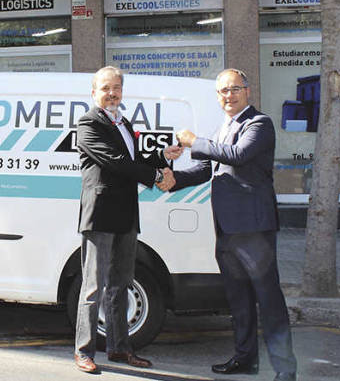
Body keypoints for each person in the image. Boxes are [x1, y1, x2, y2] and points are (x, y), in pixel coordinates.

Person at [162, 68, 297, 381]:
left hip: (253, 229)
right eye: (223, 91)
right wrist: (173, 180)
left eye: (235, 88)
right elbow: (205, 169)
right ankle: (245, 359)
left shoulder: (259, 123)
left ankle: (286, 369)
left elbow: (238, 155)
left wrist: (195, 140)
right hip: (226, 228)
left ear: (247, 91)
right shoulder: (223, 127)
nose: (229, 95)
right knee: (238, 299)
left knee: (269, 299)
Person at [74, 66, 180, 374]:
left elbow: (132, 160)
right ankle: (83, 351)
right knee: (93, 288)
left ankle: (119, 349)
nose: (112, 93)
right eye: (105, 88)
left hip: (126, 215)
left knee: (120, 286)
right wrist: (156, 175)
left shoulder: (124, 122)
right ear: (94, 93)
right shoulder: (88, 123)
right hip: (101, 215)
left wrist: (162, 156)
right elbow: (114, 161)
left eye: (116, 87)